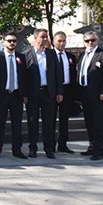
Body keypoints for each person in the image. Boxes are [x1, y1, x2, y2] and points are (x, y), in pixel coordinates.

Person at [23, 28, 62, 159]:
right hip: (33, 94)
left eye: (46, 37)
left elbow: (58, 74)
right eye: (42, 37)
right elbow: (23, 77)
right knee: (33, 121)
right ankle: (33, 148)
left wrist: (59, 92)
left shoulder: (51, 54)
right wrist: (24, 94)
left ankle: (49, 149)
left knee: (49, 122)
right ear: (35, 38)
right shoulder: (26, 54)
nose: (45, 39)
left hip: (48, 92)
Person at [0, 32, 28, 159]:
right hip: (2, 95)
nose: (12, 43)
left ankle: (17, 150)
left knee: (17, 124)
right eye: (9, 41)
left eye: (14, 41)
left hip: (17, 95)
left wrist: (24, 94)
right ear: (4, 42)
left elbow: (24, 77)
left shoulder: (21, 57)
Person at [78, 31, 103, 160]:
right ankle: (92, 147)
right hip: (85, 93)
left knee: (99, 124)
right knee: (89, 122)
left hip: (98, 95)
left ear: (97, 41)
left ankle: (99, 150)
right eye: (87, 41)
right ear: (84, 42)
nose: (90, 43)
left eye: (92, 40)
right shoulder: (82, 55)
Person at [52, 31, 78, 154]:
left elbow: (74, 75)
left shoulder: (70, 57)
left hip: (67, 90)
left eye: (64, 41)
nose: (62, 43)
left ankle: (63, 144)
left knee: (64, 119)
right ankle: (50, 145)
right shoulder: (49, 55)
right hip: (52, 91)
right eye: (59, 41)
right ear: (54, 41)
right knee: (51, 119)